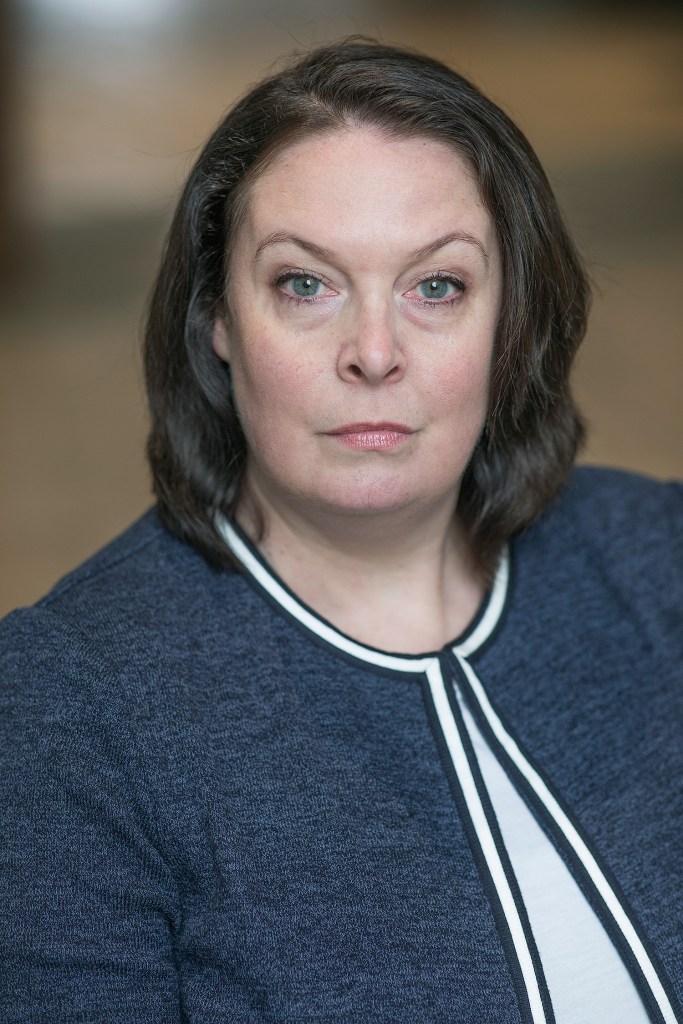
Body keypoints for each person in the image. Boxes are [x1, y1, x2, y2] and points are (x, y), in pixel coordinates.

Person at [0, 38, 681, 1024]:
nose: (372, 351)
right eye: (304, 284)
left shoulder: (658, 556)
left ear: (512, 320)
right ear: (217, 318)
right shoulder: (71, 705)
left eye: (436, 286)